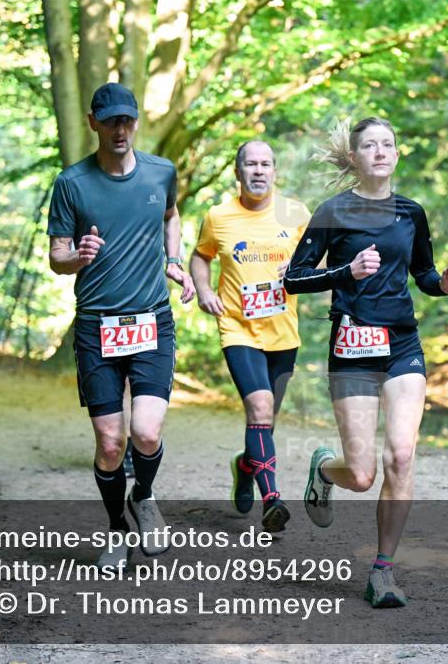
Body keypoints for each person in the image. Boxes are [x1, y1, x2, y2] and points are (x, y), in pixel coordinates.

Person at [284, 118, 448, 608]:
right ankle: (325, 470)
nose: (380, 152)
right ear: (356, 156)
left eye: (388, 143)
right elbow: (293, 279)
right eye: (370, 145)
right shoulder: (333, 211)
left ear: (396, 153)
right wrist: (345, 271)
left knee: (401, 457)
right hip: (351, 349)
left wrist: (444, 284)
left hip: (402, 345)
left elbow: (423, 274)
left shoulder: (412, 212)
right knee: (363, 474)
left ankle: (383, 570)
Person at [47, 82, 195, 569]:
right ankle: (115, 527)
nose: (120, 129)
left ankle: (144, 498)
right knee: (111, 444)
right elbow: (56, 257)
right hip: (97, 327)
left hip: (152, 318)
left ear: (136, 122)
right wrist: (77, 256)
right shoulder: (72, 183)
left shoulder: (160, 172)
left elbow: (172, 215)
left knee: (146, 434)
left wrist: (173, 260)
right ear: (93, 122)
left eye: (127, 120)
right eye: (110, 121)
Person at [189, 140, 310, 533]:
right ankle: (272, 499)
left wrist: (298, 268)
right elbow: (201, 255)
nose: (258, 171)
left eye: (266, 164)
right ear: (237, 172)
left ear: (275, 171)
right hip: (238, 327)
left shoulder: (295, 214)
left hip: (283, 332)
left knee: (266, 422)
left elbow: (320, 260)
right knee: (259, 407)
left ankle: (245, 467)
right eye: (250, 164)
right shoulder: (218, 216)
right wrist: (205, 291)